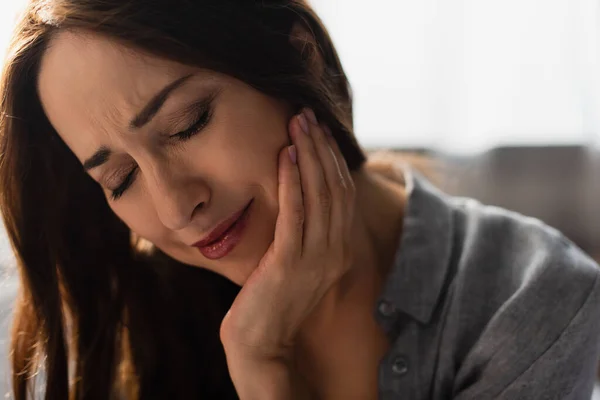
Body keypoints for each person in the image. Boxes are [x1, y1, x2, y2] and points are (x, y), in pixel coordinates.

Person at [0, 0, 598, 399]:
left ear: (298, 55)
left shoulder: (532, 303)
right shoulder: (115, 319)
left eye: (188, 123)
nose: (177, 208)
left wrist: (262, 366)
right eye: (120, 180)